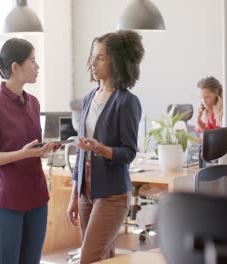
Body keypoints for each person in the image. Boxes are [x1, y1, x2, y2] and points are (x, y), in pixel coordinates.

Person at [0, 38, 58, 264]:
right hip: (8, 200)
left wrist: (43, 150)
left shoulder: (33, 103)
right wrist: (22, 154)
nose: (37, 66)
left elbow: (32, 147)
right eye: (32, 61)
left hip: (36, 196)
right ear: (15, 67)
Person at [66, 30, 144, 264]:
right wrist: (74, 194)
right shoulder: (90, 97)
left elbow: (129, 152)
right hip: (86, 190)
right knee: (104, 259)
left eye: (100, 57)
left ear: (116, 62)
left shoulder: (127, 102)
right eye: (93, 57)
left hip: (112, 193)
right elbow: (82, 152)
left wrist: (101, 149)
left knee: (88, 259)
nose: (93, 62)